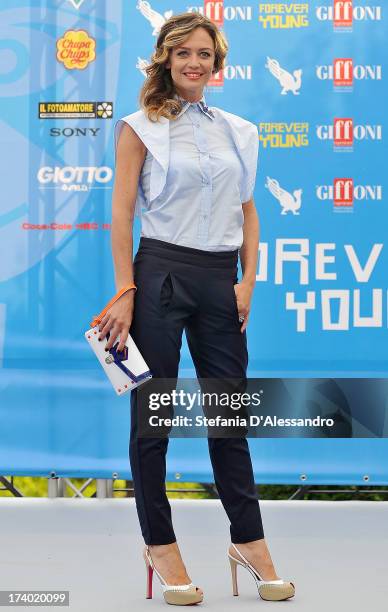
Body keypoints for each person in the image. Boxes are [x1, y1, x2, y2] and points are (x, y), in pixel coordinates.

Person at [98, 11, 295, 606]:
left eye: (204, 54)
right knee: (153, 418)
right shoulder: (139, 126)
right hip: (159, 275)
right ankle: (161, 545)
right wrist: (125, 290)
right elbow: (122, 214)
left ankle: (250, 542)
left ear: (217, 64)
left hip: (220, 281)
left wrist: (248, 281)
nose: (193, 62)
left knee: (228, 417)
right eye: (182, 52)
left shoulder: (238, 129)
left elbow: (249, 211)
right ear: (164, 58)